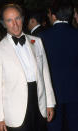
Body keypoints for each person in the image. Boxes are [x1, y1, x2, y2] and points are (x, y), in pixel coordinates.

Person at [0, 4, 56, 131]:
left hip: (39, 105)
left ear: (23, 19)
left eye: (17, 18)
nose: (14, 23)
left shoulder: (37, 42)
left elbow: (45, 74)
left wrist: (50, 103)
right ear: (4, 23)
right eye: (9, 20)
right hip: (15, 112)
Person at [39, 2, 78, 131]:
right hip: (75, 91)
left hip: (52, 93)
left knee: (54, 127)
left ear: (53, 15)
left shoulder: (42, 37)